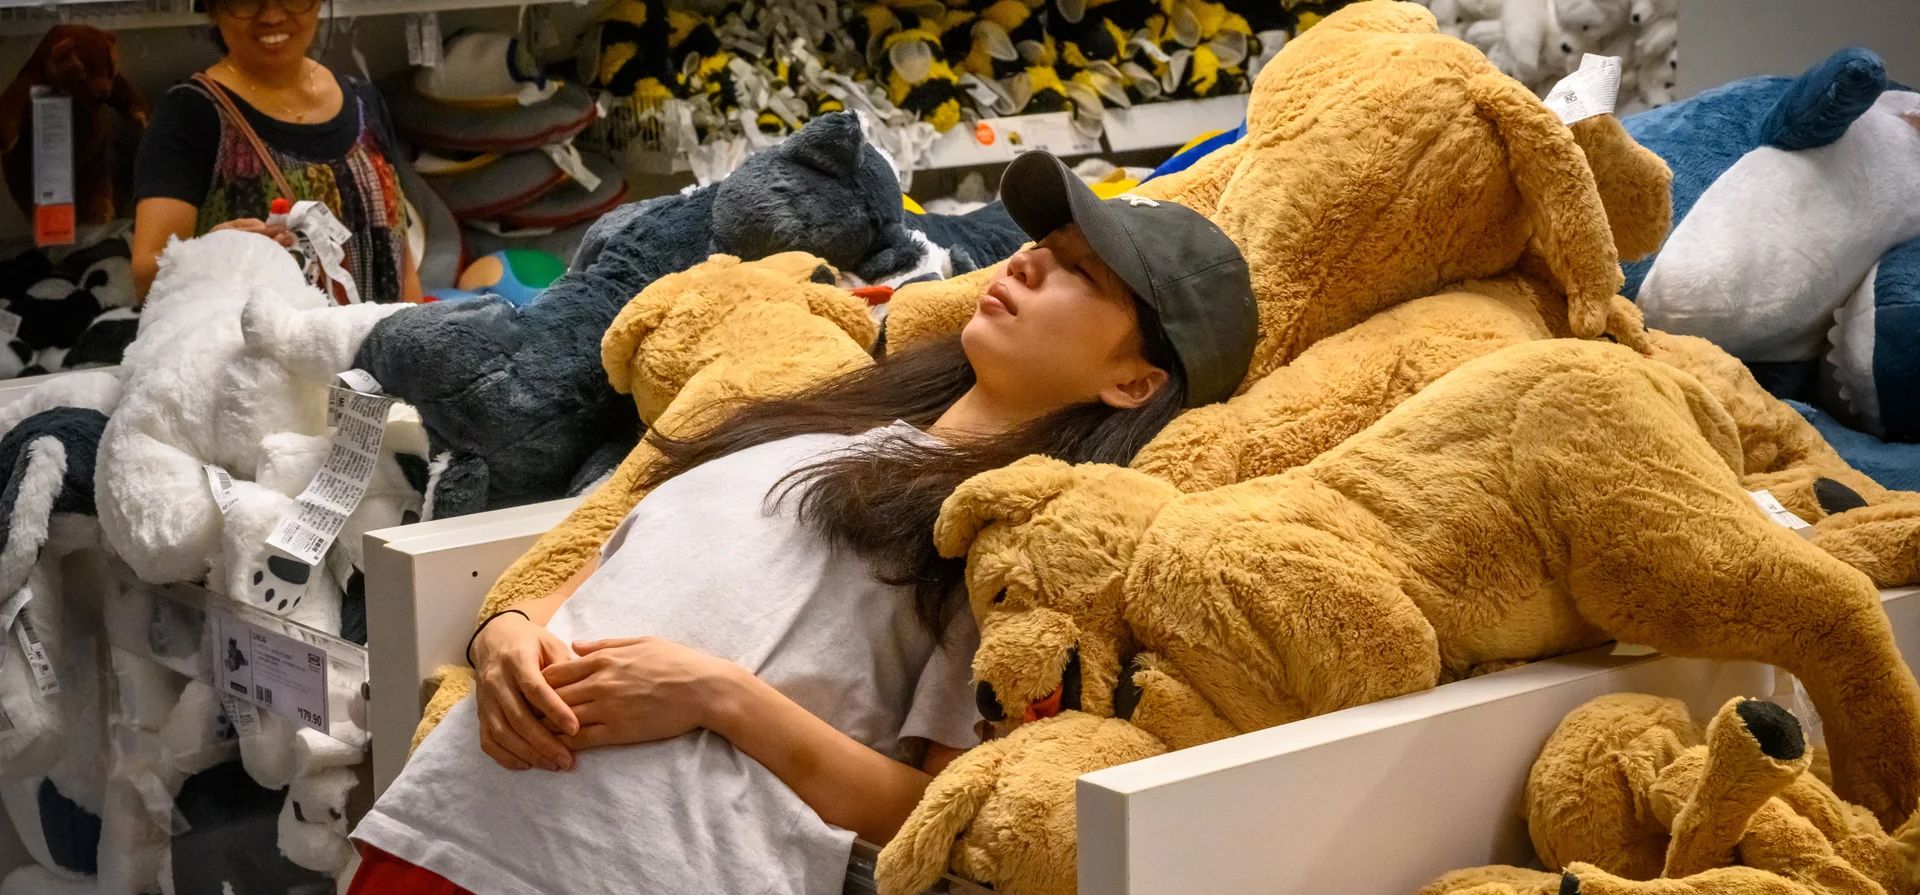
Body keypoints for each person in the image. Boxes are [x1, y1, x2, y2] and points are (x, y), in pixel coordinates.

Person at [347, 150, 1259, 895]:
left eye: (1079, 274)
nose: (1025, 261)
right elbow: (587, 582)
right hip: (445, 827)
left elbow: (936, 814)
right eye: (1042, 245)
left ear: (1134, 382)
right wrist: (504, 636)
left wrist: (721, 697)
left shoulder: (1015, 538)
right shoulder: (812, 418)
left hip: (644, 864)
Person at [130, 0, 420, 302]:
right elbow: (146, 280)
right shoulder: (190, 113)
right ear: (214, 9)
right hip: (261, 346)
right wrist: (215, 251)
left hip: (383, 344)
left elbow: (401, 257)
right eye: (247, 2)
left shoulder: (364, 101)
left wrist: (416, 340)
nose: (272, 15)